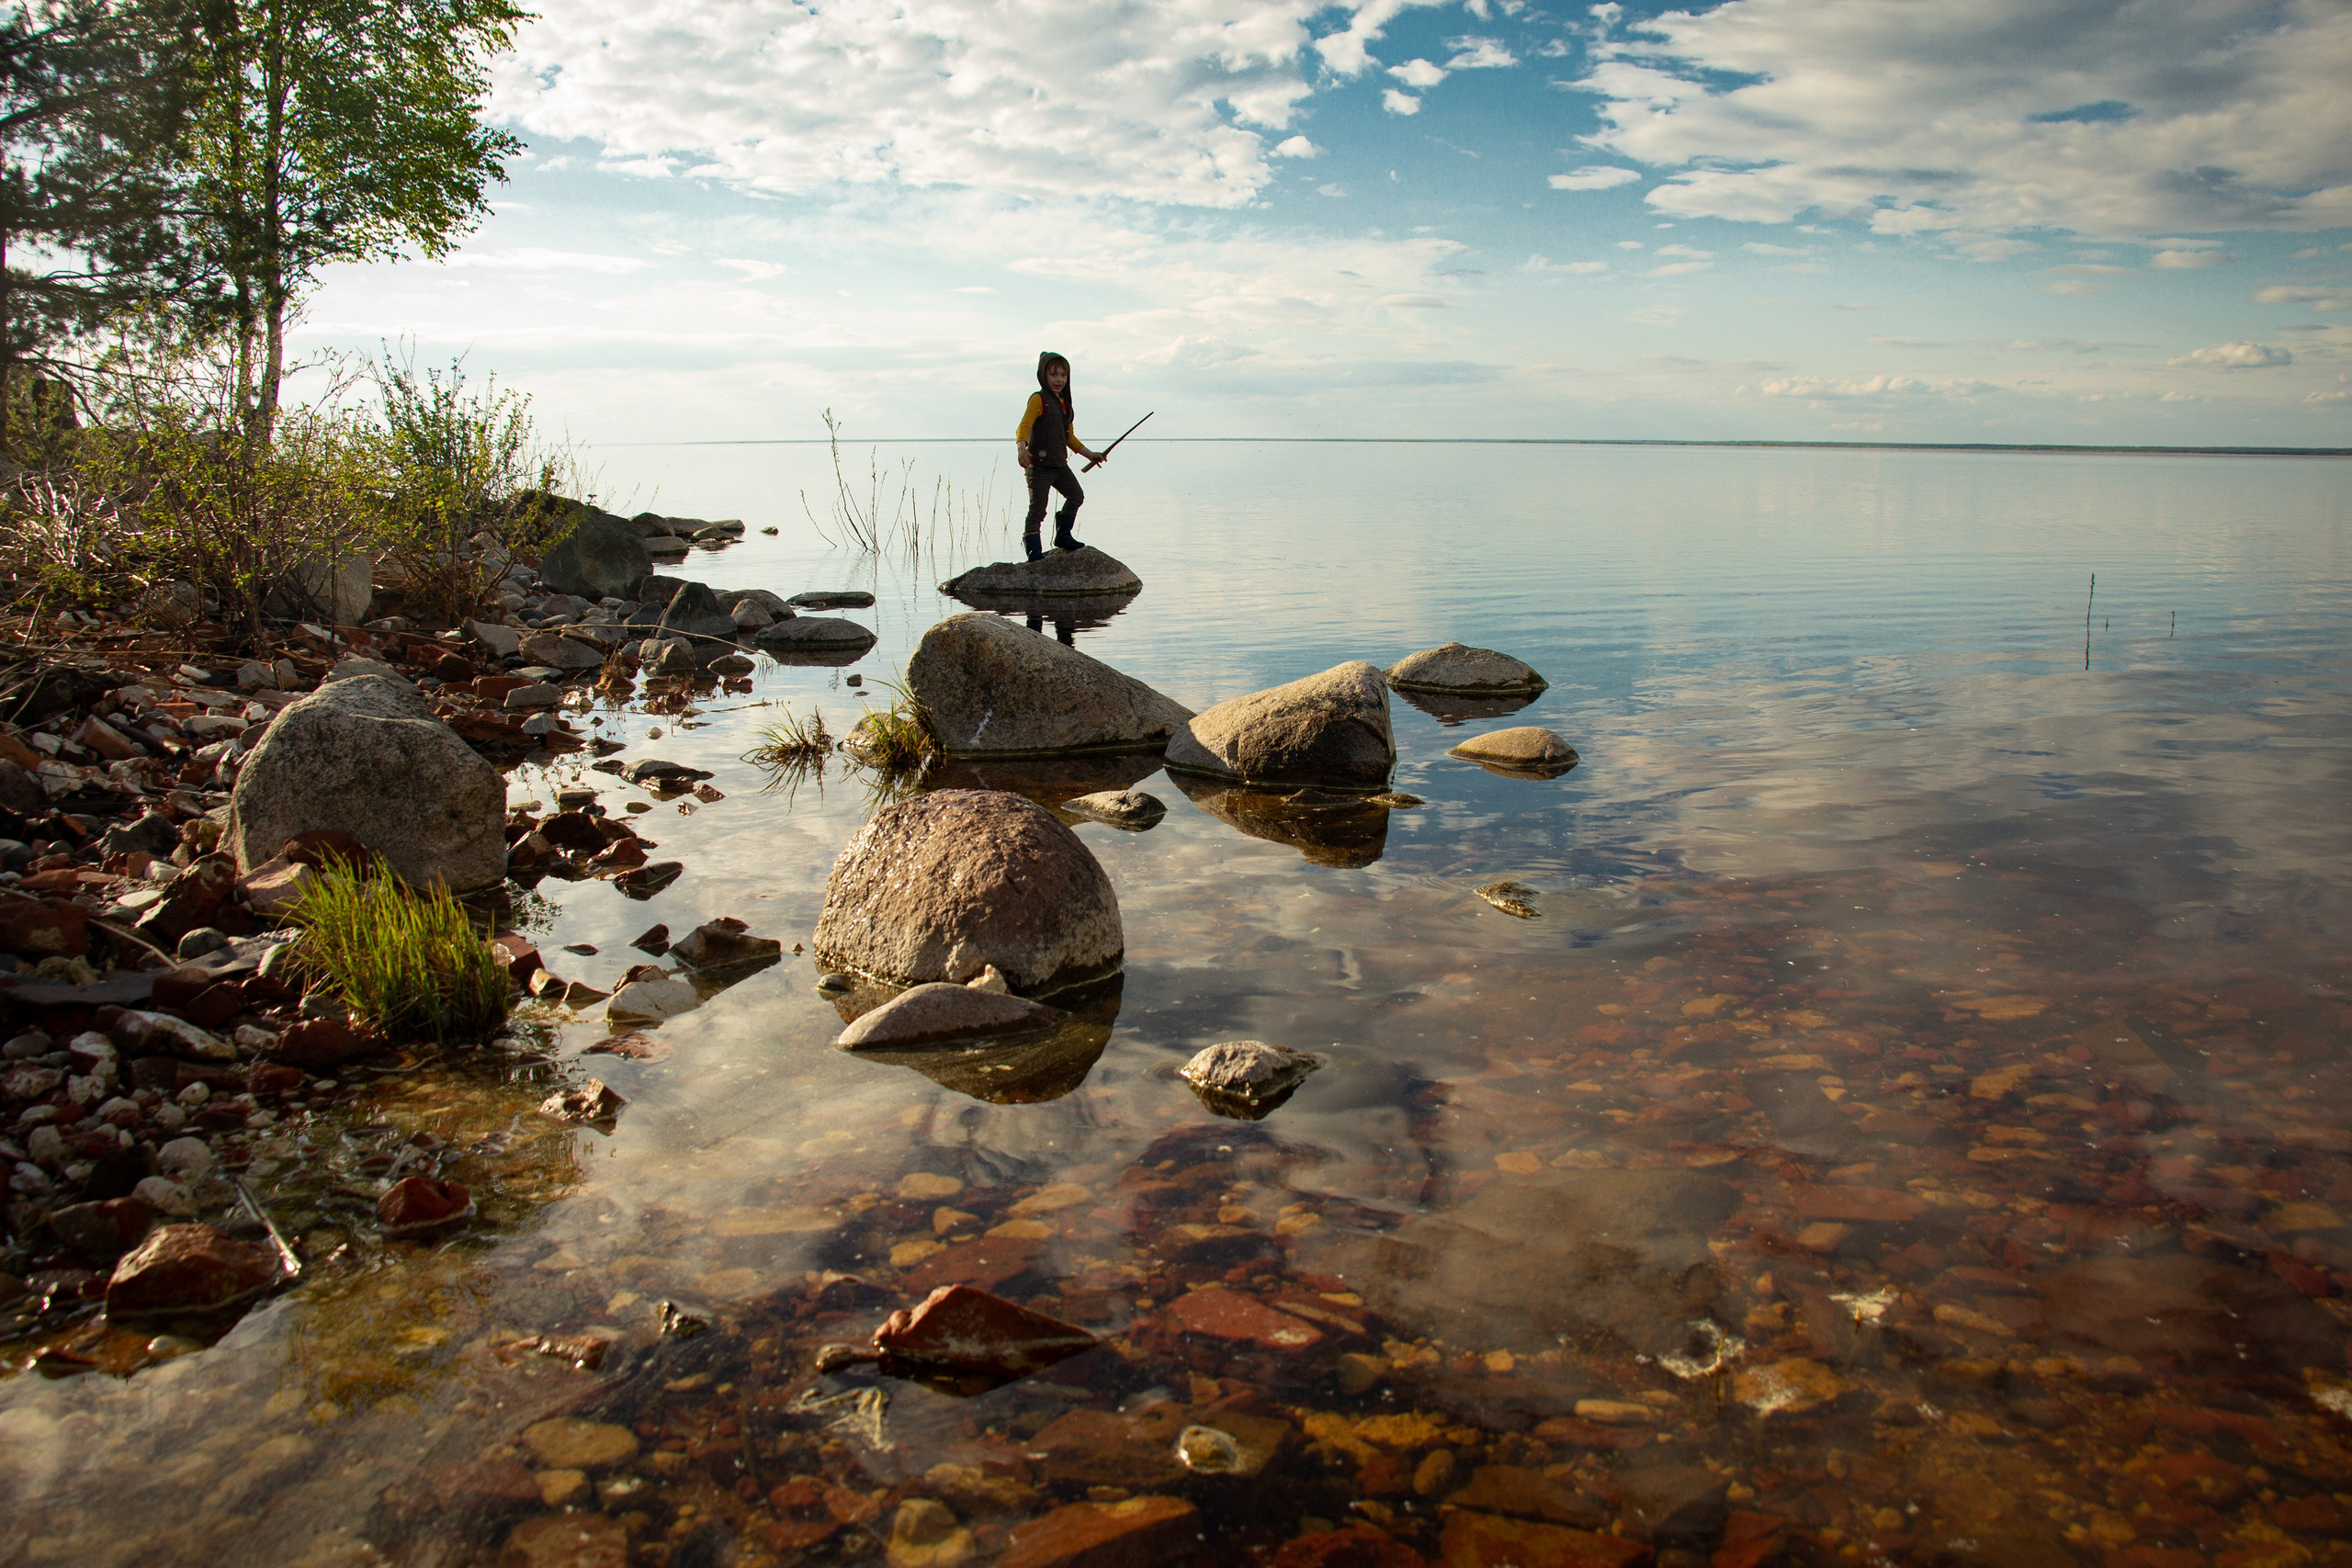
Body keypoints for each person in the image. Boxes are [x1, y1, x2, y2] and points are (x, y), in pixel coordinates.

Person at [1015, 351, 1107, 560]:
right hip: (1038, 466)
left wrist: (1090, 455)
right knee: (1037, 511)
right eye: (1054, 374)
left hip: (1059, 466)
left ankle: (1063, 536)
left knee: (1076, 496)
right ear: (1043, 376)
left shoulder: (1065, 404)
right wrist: (1022, 448)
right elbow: (1023, 426)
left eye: (1063, 375)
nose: (1059, 379)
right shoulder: (1038, 399)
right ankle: (1034, 554)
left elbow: (1069, 438)